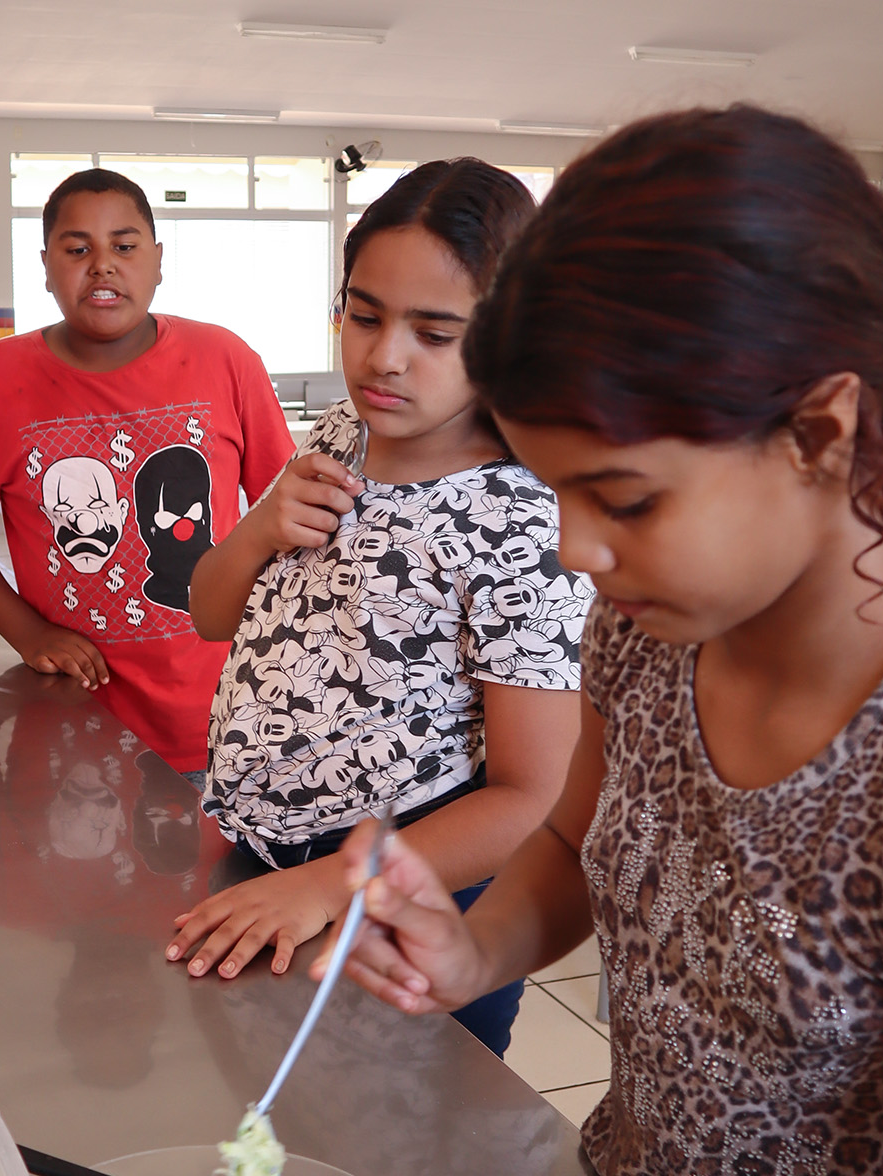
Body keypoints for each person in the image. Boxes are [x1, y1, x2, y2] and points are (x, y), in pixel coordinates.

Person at [243, 106, 883, 1176]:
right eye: (557, 490)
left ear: (818, 431)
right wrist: (472, 947)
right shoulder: (654, 625)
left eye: (622, 497)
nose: (574, 549)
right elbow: (573, 843)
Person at [169, 159, 591, 1054]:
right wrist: (258, 530)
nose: (384, 357)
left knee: (407, 1127)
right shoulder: (342, 435)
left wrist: (332, 886)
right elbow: (210, 615)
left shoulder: (522, 521)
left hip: (413, 901)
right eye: (364, 316)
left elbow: (534, 796)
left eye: (434, 333)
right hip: (269, 862)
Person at [0, 168, 295, 775]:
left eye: (124, 245)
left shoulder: (226, 360)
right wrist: (28, 633)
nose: (103, 266)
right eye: (77, 249)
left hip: (223, 723)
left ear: (158, 260)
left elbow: (287, 513)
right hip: (73, 735)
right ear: (45, 266)